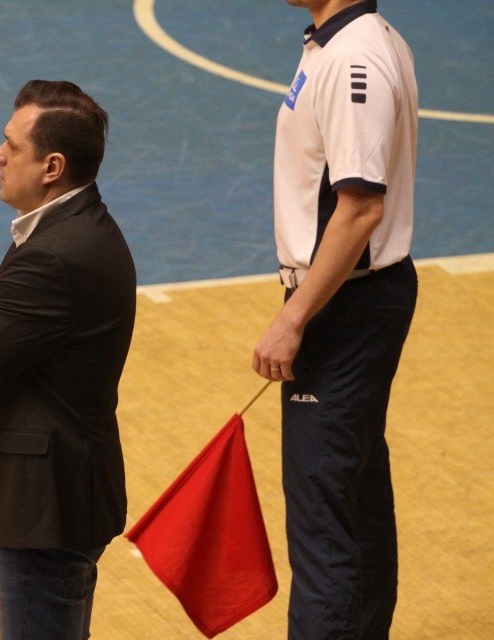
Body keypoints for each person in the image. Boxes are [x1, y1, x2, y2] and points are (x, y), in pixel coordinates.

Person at [0, 80, 136, 640]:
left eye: (12, 146)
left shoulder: (53, 256)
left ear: (52, 167)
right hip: (62, 492)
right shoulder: (74, 226)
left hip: (44, 507)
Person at [252, 1, 418, 638]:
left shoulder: (354, 58)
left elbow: (361, 208)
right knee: (356, 491)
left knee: (321, 516)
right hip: (349, 298)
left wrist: (295, 317)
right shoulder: (344, 42)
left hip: (344, 306)